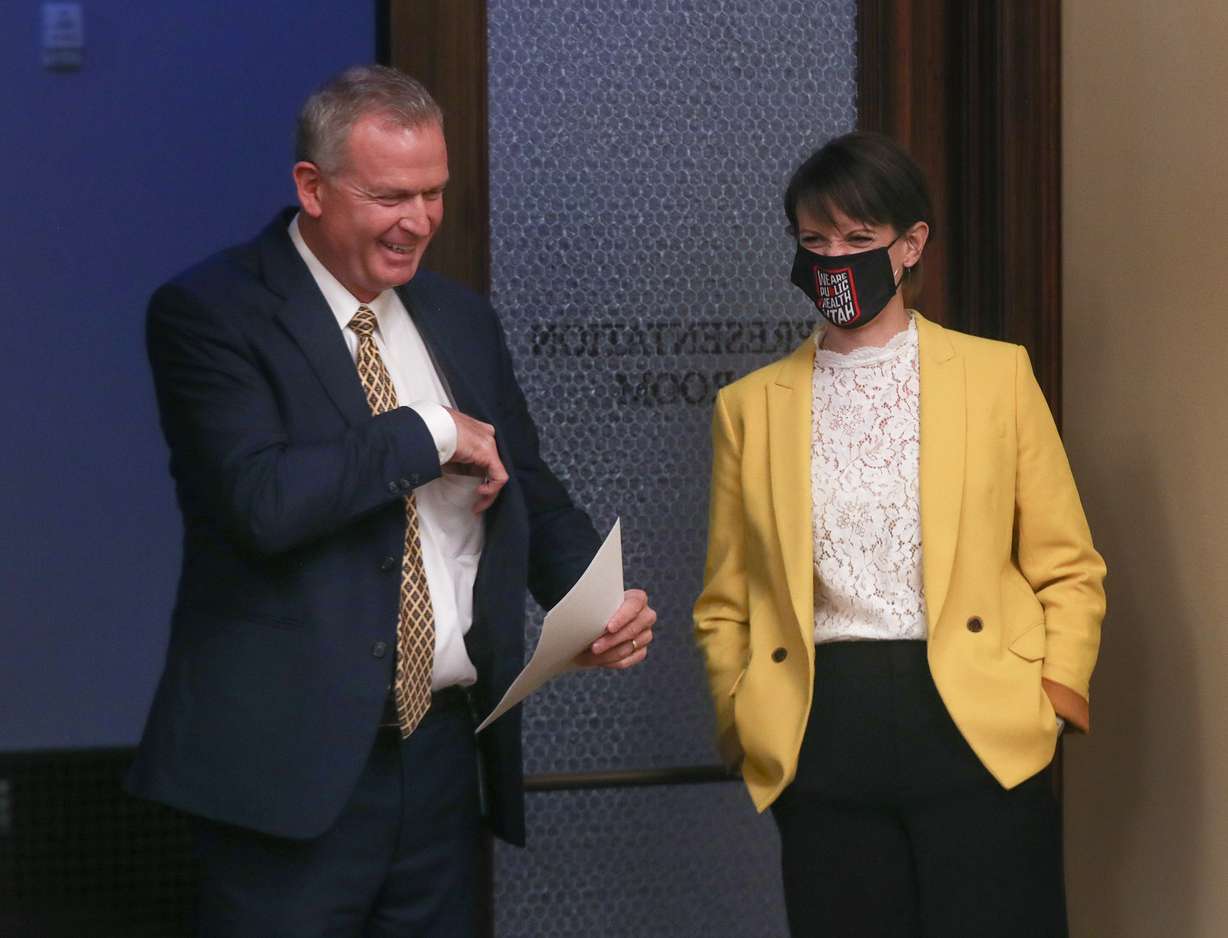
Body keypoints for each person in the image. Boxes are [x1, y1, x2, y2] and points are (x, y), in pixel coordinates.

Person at [127, 64, 656, 937]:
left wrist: (593, 601)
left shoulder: (460, 318)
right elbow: (262, 502)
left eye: (434, 192)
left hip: (442, 753)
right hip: (282, 772)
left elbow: (525, 480)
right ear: (313, 187)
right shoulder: (210, 312)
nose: (419, 221)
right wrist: (429, 433)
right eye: (389, 195)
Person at [692, 131, 1105, 937]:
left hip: (982, 720)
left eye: (857, 239)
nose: (833, 259)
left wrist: (1053, 696)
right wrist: (742, 719)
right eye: (815, 240)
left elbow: (1067, 565)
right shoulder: (750, 405)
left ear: (910, 245)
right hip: (822, 722)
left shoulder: (996, 376)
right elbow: (727, 595)